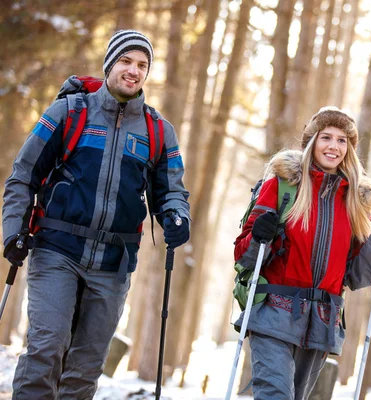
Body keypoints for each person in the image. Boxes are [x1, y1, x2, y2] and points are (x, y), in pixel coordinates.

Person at [2, 30, 190, 399]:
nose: (133, 71)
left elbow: (173, 191)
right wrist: (13, 231)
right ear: (109, 64)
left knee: (85, 370)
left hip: (114, 264)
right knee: (46, 350)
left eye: (142, 65)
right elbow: (23, 175)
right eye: (126, 61)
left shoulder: (158, 131)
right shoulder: (69, 112)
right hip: (57, 250)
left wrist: (177, 216)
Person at [233, 106, 371, 399]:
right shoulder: (282, 187)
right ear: (312, 141)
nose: (333, 146)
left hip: (322, 321)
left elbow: (358, 276)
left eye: (341, 140)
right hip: (273, 312)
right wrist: (261, 236)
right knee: (274, 394)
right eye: (326, 137)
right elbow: (244, 256)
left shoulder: (354, 203)